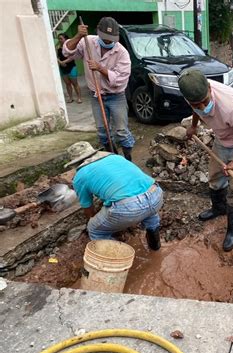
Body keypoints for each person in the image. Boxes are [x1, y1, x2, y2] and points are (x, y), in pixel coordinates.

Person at [178, 69, 233, 252]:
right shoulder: (193, 94)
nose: (201, 106)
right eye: (195, 104)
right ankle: (218, 208)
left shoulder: (230, 106)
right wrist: (194, 127)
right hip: (223, 138)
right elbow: (197, 110)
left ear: (209, 87)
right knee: (215, 179)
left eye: (205, 101)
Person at [64, 141, 163, 250]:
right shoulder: (116, 158)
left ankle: (118, 259)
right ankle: (155, 248)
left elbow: (87, 207)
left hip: (129, 206)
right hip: (156, 193)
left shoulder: (80, 176)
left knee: (94, 230)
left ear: (76, 162)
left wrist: (94, 222)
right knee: (150, 216)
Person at [63, 17, 135, 161]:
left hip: (116, 96)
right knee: (103, 131)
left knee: (121, 131)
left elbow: (120, 81)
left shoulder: (122, 53)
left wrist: (101, 68)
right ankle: (113, 157)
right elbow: (67, 53)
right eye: (105, 38)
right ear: (98, 32)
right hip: (97, 96)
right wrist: (78, 36)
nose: (108, 42)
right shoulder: (87, 42)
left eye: (111, 39)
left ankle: (128, 158)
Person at [57, 33, 82, 103]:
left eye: (61, 38)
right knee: (67, 84)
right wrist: (60, 62)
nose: (59, 40)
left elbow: (73, 56)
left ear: (65, 39)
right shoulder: (58, 47)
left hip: (71, 67)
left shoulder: (70, 46)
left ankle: (79, 98)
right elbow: (56, 57)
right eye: (59, 39)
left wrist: (64, 62)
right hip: (62, 68)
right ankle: (71, 98)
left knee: (75, 83)